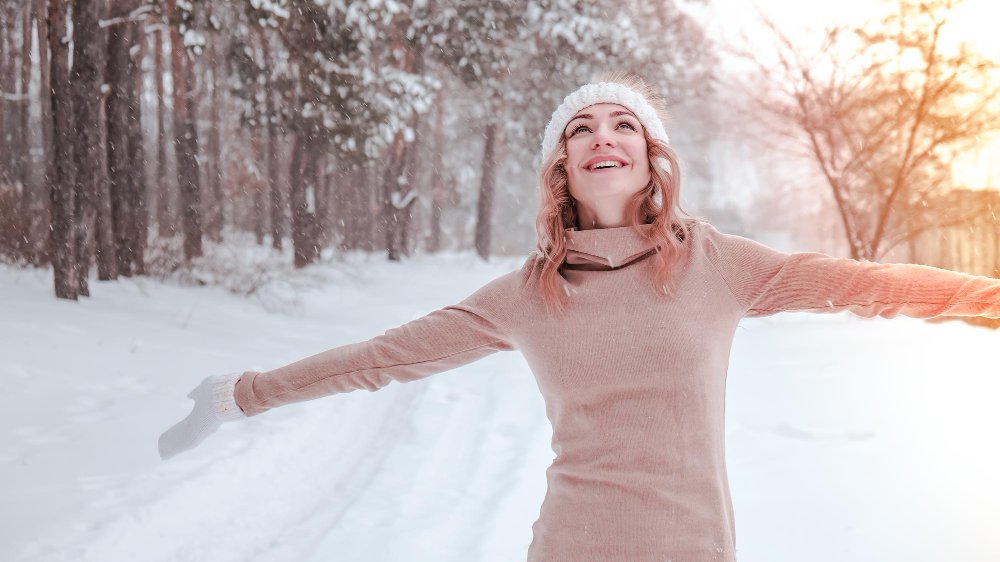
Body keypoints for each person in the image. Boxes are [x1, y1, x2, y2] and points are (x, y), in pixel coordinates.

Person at [158, 71, 1000, 562]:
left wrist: (987, 300)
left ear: (649, 156)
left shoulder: (718, 264)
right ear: (563, 165)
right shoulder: (529, 293)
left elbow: (866, 284)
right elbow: (385, 357)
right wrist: (241, 393)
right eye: (582, 127)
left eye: (625, 123)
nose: (604, 135)